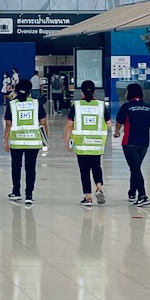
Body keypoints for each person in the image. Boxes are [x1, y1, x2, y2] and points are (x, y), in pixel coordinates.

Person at [114, 83, 150, 207]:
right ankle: (132, 192)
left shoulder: (126, 107)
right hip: (144, 143)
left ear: (130, 93)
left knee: (135, 168)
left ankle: (142, 196)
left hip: (129, 142)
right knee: (135, 167)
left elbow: (119, 122)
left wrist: (116, 132)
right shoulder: (148, 107)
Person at [63, 79, 110, 207]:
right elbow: (109, 124)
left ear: (82, 92)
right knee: (96, 166)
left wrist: (66, 141)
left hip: (81, 145)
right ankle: (99, 187)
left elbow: (69, 125)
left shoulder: (77, 105)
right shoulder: (101, 105)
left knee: (84, 170)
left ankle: (88, 197)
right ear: (94, 91)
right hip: (96, 144)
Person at [3, 78, 46, 205]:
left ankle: (16, 191)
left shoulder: (12, 104)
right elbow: (43, 123)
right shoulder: (36, 103)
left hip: (16, 142)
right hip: (33, 142)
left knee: (16, 166)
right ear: (29, 91)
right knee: (30, 168)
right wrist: (45, 140)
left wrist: (5, 140)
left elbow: (8, 125)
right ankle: (29, 195)